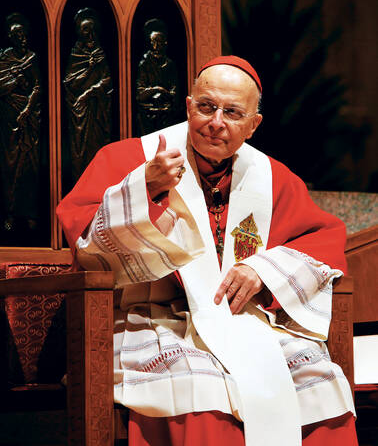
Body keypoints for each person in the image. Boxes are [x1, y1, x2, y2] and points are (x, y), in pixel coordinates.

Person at [57, 56, 357, 446]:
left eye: (232, 112)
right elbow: (85, 244)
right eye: (206, 106)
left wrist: (263, 271)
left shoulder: (273, 177)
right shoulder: (130, 159)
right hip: (155, 318)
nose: (216, 121)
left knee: (318, 380)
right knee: (201, 386)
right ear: (188, 106)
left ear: (254, 125)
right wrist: (143, 189)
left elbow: (322, 241)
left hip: (244, 321)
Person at [0, 13, 41, 236]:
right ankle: (10, 212)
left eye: (23, 34)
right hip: (8, 119)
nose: (22, 38)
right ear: (10, 37)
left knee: (30, 165)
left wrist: (28, 108)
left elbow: (37, 86)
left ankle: (30, 212)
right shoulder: (4, 59)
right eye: (17, 35)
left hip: (29, 116)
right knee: (9, 165)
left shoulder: (32, 58)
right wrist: (14, 80)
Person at [63, 7, 113, 185]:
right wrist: (90, 68)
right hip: (80, 113)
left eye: (93, 30)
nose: (91, 35)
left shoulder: (100, 53)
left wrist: (90, 93)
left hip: (98, 110)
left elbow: (107, 80)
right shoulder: (75, 54)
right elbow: (70, 84)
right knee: (80, 151)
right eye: (86, 30)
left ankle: (99, 187)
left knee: (99, 149)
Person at [135, 19, 179, 135]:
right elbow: (140, 95)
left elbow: (174, 93)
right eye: (153, 42)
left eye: (159, 42)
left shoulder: (169, 65)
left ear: (165, 44)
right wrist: (157, 89)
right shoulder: (145, 64)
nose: (156, 46)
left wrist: (166, 95)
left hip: (165, 112)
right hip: (148, 113)